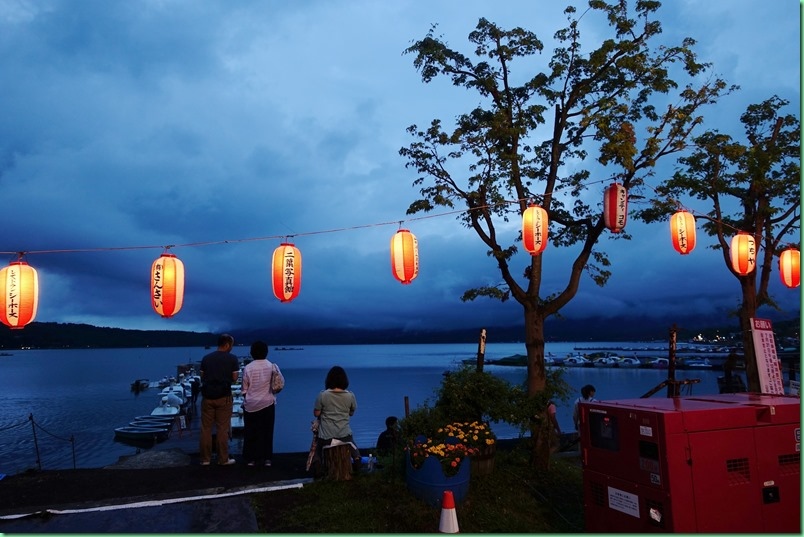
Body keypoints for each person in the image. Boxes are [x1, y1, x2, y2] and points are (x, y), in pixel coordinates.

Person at [199, 334, 240, 466]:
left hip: (207, 397)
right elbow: (234, 378)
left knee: (206, 428)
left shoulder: (206, 358)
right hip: (224, 397)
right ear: (227, 344)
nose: (232, 348)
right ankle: (223, 459)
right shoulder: (232, 359)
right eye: (231, 345)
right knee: (222, 429)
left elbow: (202, 377)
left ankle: (205, 459)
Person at [241, 341, 278, 467]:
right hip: (268, 403)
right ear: (266, 352)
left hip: (251, 405)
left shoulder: (248, 368)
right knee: (267, 432)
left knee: (250, 432)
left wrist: (248, 397)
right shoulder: (272, 366)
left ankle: (251, 459)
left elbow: (244, 389)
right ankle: (267, 458)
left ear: (251, 353)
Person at [313, 365, 360, 462]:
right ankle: (356, 458)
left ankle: (317, 462)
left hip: (326, 436)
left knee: (318, 447)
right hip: (344, 435)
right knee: (352, 443)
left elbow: (316, 413)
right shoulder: (350, 396)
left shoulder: (323, 395)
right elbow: (351, 413)